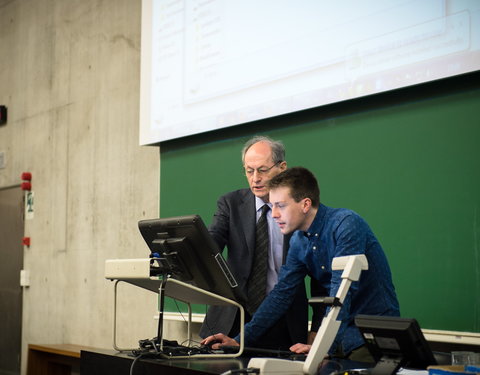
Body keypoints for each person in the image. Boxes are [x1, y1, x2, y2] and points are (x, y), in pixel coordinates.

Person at [202, 167, 400, 361]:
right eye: (272, 207)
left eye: (280, 206)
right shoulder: (299, 239)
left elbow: (342, 294)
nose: (274, 214)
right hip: (337, 338)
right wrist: (240, 341)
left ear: (305, 204)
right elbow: (281, 294)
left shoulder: (346, 225)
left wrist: (322, 347)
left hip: (372, 339)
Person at [199, 136, 321, 350]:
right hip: (231, 319)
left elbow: (320, 277)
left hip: (285, 322)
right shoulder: (231, 204)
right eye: (249, 170)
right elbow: (213, 243)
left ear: (282, 168)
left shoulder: (299, 210)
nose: (255, 178)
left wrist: (317, 328)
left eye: (262, 170)